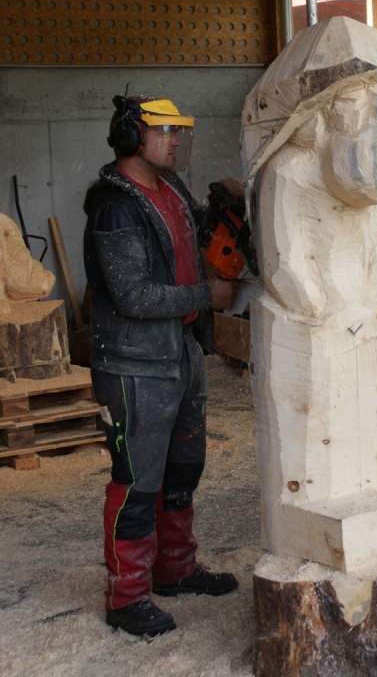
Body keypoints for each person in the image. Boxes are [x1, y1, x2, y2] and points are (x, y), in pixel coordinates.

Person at [83, 93, 241, 637]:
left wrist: (226, 211)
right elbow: (133, 295)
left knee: (182, 469)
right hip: (134, 362)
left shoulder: (170, 187)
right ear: (131, 137)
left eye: (178, 132)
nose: (175, 142)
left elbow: (194, 238)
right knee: (137, 480)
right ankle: (127, 597)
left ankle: (174, 569)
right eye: (164, 132)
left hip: (180, 349)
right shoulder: (115, 206)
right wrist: (205, 295)